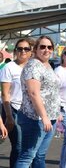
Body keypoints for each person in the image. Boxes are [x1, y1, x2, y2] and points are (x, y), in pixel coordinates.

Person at [15, 36, 61, 167]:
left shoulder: (46, 65)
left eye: (49, 47)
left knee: (39, 155)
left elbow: (51, 92)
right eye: (42, 47)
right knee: (27, 156)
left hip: (49, 118)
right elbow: (34, 93)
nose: (46, 50)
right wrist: (44, 117)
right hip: (35, 119)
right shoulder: (33, 65)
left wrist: (57, 112)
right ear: (35, 49)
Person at [1, 38, 33, 167]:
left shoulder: (33, 67)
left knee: (30, 147)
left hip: (31, 113)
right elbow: (5, 94)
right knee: (19, 146)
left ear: (30, 52)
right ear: (15, 51)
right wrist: (9, 116)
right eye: (20, 49)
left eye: (26, 49)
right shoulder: (9, 67)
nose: (23, 51)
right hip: (14, 110)